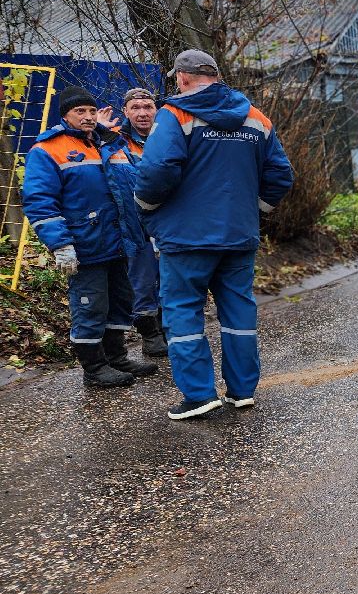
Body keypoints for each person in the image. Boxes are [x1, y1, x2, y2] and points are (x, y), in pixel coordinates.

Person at [134, 49, 293, 421]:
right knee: (238, 311)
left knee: (182, 311)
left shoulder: (174, 115)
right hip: (238, 235)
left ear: (184, 78)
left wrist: (146, 207)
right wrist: (255, 210)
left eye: (177, 77)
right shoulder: (257, 119)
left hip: (186, 237)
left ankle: (199, 395)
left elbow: (157, 170)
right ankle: (242, 392)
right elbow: (281, 176)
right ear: (217, 76)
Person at [21, 85, 160, 388]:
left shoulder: (109, 144)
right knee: (90, 306)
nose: (87, 117)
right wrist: (60, 244)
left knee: (119, 302)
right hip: (86, 245)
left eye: (91, 111)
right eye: (79, 111)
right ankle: (94, 368)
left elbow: (135, 187)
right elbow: (39, 200)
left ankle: (117, 357)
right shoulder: (48, 150)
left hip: (120, 243)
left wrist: (149, 232)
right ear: (65, 116)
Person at [96, 87, 165, 356]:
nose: (142, 113)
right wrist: (101, 133)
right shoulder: (116, 141)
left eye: (147, 107)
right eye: (135, 108)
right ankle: (149, 333)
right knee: (142, 278)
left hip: (167, 219)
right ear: (125, 111)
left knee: (169, 278)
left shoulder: (167, 138)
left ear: (155, 110)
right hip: (134, 222)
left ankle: (166, 328)